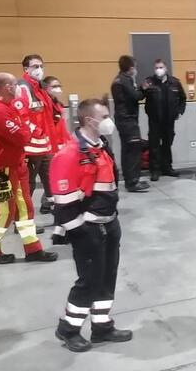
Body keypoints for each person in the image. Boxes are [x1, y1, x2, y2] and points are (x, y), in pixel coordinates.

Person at [49, 98, 132, 352]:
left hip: (109, 223)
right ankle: (69, 329)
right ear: (89, 120)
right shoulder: (69, 155)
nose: (109, 121)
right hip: (89, 230)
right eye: (104, 116)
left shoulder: (101, 146)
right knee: (89, 281)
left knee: (107, 278)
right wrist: (81, 231)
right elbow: (63, 205)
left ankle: (101, 326)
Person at [0, 73, 57, 265]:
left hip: (16, 166)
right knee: (4, 211)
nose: (19, 88)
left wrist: (25, 129)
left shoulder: (8, 107)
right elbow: (22, 137)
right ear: (8, 87)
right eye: (15, 84)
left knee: (24, 209)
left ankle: (33, 250)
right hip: (2, 171)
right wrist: (25, 130)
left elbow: (24, 128)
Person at [18, 55, 56, 215]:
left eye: (41, 65)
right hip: (31, 148)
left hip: (45, 146)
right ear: (26, 69)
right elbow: (20, 116)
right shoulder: (23, 88)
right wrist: (37, 131)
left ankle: (53, 209)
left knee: (51, 179)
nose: (39, 69)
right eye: (35, 66)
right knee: (29, 184)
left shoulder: (41, 87)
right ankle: (22, 219)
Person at [143, 59, 186, 181]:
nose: (158, 70)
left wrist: (179, 111)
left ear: (166, 68)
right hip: (155, 120)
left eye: (161, 67)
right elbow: (140, 95)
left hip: (169, 120)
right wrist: (143, 88)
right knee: (154, 145)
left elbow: (183, 98)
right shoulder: (150, 82)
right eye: (156, 67)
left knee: (167, 144)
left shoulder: (174, 82)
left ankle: (167, 167)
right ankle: (155, 170)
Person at [111, 55, 149, 192]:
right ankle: (133, 181)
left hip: (123, 119)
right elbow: (136, 96)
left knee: (127, 150)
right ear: (131, 68)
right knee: (133, 151)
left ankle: (130, 180)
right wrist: (144, 88)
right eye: (135, 67)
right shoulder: (124, 80)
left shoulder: (118, 79)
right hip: (128, 120)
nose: (136, 70)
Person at [41, 76, 73, 154]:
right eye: (54, 86)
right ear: (45, 88)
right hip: (51, 144)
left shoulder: (59, 105)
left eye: (59, 86)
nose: (58, 89)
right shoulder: (44, 105)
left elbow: (63, 126)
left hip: (62, 142)